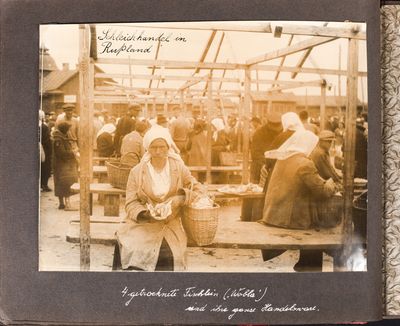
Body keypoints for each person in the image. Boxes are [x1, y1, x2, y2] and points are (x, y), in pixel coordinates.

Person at [115, 127, 203, 271]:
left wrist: (181, 198)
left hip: (171, 222)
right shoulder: (137, 171)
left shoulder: (179, 167)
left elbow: (198, 189)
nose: (158, 151)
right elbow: (130, 202)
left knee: (169, 252)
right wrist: (145, 214)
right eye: (153, 147)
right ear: (147, 149)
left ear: (168, 147)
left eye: (162, 147)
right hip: (144, 223)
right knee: (133, 247)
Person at [259, 130, 339, 271]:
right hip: (288, 220)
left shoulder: (283, 158)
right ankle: (311, 270)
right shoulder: (304, 164)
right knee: (322, 229)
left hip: (272, 214)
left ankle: (305, 265)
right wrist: (331, 184)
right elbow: (323, 192)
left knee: (313, 215)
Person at [249, 112, 282, 184]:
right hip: (260, 170)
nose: (276, 131)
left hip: (276, 170)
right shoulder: (259, 134)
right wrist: (267, 165)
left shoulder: (282, 132)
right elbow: (255, 154)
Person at [52, 122, 79, 210]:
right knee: (65, 183)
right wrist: (73, 152)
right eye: (67, 129)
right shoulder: (59, 139)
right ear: (64, 129)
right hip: (62, 165)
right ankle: (66, 204)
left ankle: (61, 203)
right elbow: (61, 153)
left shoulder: (60, 137)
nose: (68, 131)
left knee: (60, 183)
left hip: (60, 165)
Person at [210, 118, 230, 184]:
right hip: (214, 156)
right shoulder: (213, 133)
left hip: (221, 156)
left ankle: (221, 183)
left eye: (213, 126)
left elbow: (229, 143)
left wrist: (226, 147)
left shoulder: (223, 133)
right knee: (214, 172)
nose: (212, 127)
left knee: (222, 173)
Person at [39, 110, 53, 192]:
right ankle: (44, 184)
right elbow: (47, 140)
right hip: (44, 150)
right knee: (46, 167)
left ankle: (41, 184)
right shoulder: (44, 127)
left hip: (40, 148)